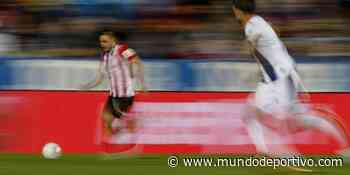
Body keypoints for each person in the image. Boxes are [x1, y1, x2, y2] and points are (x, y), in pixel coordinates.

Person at [232, 0, 349, 170]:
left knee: (285, 122)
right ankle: (264, 152)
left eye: (234, 10)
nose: (234, 13)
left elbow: (252, 45)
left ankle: (295, 162)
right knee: (250, 113)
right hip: (273, 79)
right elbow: (268, 38)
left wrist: (250, 46)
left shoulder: (251, 25)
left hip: (282, 78)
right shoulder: (259, 22)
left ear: (238, 10)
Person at [81, 31, 146, 135]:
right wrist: (88, 86)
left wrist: (143, 84)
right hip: (113, 94)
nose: (102, 44)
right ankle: (123, 131)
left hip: (125, 94)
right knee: (106, 120)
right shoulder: (105, 57)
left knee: (112, 118)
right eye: (101, 42)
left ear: (113, 41)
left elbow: (137, 62)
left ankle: (132, 123)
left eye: (105, 41)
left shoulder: (122, 49)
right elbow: (100, 78)